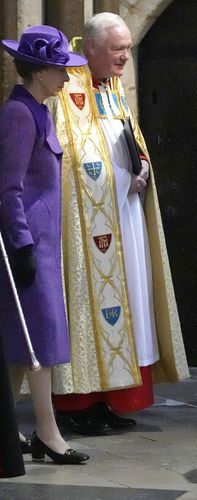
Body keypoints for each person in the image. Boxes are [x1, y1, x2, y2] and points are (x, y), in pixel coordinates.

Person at [48, 12, 189, 435]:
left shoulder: (111, 87)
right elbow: (73, 162)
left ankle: (110, 396)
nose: (125, 57)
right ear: (89, 48)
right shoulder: (65, 92)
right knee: (87, 307)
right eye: (117, 49)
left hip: (123, 217)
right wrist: (122, 179)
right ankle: (78, 404)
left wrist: (142, 167)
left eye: (128, 48)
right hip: (86, 225)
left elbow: (125, 141)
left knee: (127, 306)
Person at [0, 25, 89, 464]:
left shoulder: (37, 108)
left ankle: (7, 427)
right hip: (29, 245)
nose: (66, 78)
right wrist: (21, 244)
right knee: (40, 339)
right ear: (38, 71)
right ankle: (48, 432)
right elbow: (8, 187)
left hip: (42, 243)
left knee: (24, 342)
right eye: (59, 70)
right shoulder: (19, 114)